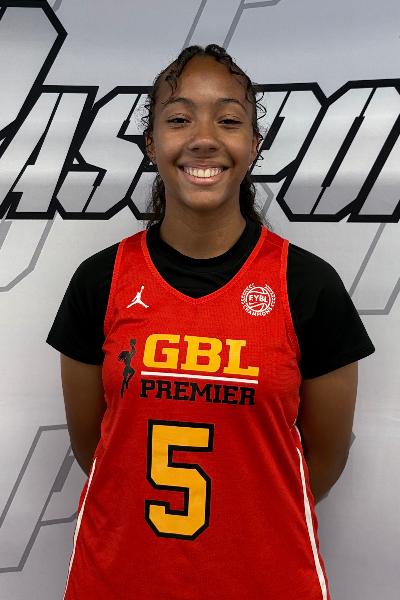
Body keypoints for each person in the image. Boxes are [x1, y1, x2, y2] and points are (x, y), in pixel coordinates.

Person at [47, 44, 375, 600]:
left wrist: (246, 521)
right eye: (179, 119)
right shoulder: (100, 282)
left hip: (266, 581)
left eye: (228, 120)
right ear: (151, 143)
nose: (204, 137)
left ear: (254, 144)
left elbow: (322, 459)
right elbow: (96, 448)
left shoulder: (308, 286)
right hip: (119, 580)